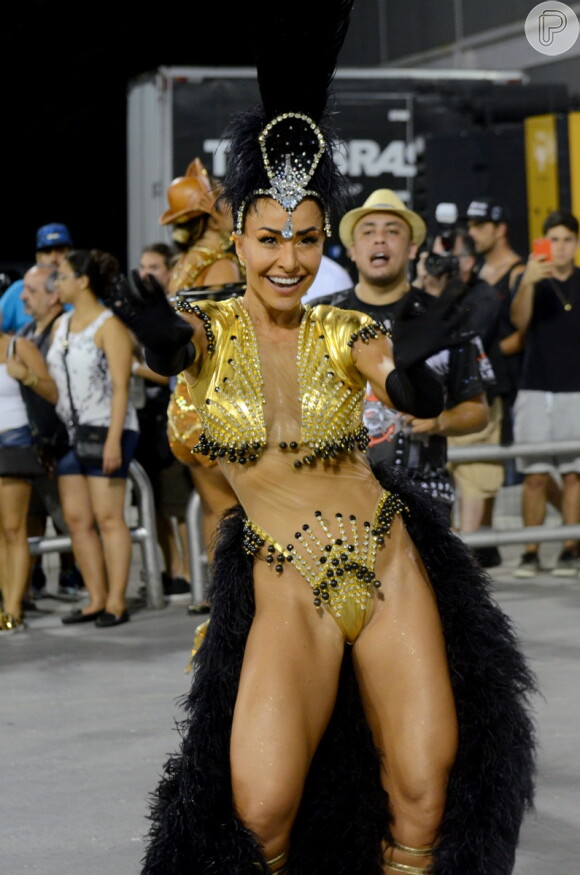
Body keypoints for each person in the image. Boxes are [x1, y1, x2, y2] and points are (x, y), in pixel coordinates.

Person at [110, 5, 535, 872]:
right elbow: (174, 349)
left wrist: (417, 370)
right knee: (261, 810)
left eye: (305, 239)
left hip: (385, 561)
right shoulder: (208, 326)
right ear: (238, 237)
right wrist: (157, 339)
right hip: (285, 581)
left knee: (424, 792)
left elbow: (399, 384)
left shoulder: (342, 328)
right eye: (270, 238)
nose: (288, 260)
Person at [313, 189, 493, 523]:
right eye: (368, 232)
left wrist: (440, 421)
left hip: (423, 496)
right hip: (337, 493)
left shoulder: (443, 318)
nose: (379, 239)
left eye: (392, 231)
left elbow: (478, 411)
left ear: (412, 248)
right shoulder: (319, 318)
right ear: (352, 249)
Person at [159, 157, 241, 607]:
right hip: (215, 402)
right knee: (237, 509)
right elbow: (222, 343)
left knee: (214, 506)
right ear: (210, 215)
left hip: (183, 407)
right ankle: (235, 595)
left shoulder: (182, 266)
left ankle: (216, 593)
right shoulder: (223, 267)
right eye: (225, 203)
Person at [47, 250, 139, 627]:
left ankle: (116, 602)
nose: (57, 283)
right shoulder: (61, 325)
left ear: (83, 281)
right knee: (77, 519)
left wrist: (114, 439)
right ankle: (95, 598)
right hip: (71, 433)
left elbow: (121, 387)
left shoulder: (109, 325)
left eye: (62, 276)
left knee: (109, 518)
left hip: (107, 428)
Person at [455, 198, 527, 567]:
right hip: (480, 381)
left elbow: (523, 335)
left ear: (500, 229)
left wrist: (476, 353)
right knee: (478, 470)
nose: (473, 232)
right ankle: (484, 542)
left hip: (507, 382)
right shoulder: (474, 272)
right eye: (470, 225)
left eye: (480, 225)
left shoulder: (517, 273)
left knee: (502, 469)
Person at [510, 209, 580, 577]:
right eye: (554, 240)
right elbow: (519, 322)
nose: (561, 247)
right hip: (534, 387)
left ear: (576, 243)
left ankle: (570, 550)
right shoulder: (531, 280)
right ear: (544, 243)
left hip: (575, 388)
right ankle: (530, 553)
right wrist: (527, 282)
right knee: (534, 475)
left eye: (567, 240)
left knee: (573, 475)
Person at [18, 264, 84, 600]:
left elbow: (61, 392)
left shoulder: (66, 330)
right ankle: (28, 583)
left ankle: (79, 577)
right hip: (31, 443)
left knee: (70, 519)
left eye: (30, 291)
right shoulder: (27, 331)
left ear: (54, 295)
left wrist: (27, 375)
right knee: (30, 518)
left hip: (63, 442)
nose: (22, 297)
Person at [134, 243, 193, 600]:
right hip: (147, 416)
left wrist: (135, 368)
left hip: (179, 415)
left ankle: (189, 571)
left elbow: (175, 370)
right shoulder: (139, 312)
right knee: (153, 501)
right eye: (143, 266)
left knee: (179, 501)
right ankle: (171, 567)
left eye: (153, 266)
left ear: (170, 271)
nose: (146, 274)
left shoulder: (179, 310)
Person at [0, 327, 58, 634]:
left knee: (13, 528)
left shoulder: (18, 346)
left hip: (16, 443)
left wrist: (25, 375)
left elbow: (52, 392)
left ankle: (13, 608)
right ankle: (7, 603)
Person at [0, 223, 73, 333]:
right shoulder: (19, 290)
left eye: (60, 251)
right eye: (47, 252)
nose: (54, 258)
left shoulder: (83, 292)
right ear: (38, 257)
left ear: (71, 255)